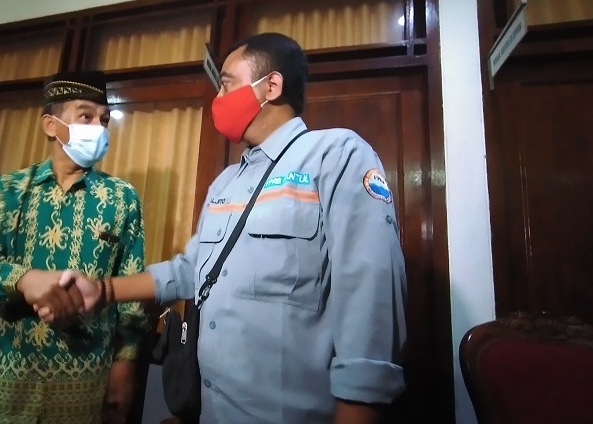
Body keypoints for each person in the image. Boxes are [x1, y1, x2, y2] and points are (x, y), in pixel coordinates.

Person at [38, 33, 408, 424]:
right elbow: (190, 270)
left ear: (271, 86)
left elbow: (369, 289)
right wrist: (103, 290)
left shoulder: (336, 155)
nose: (218, 98)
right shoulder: (227, 182)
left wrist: (358, 411)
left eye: (227, 84)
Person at [0, 71, 149, 424]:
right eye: (86, 116)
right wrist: (24, 280)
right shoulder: (7, 190)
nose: (98, 128)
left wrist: (126, 364)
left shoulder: (122, 198)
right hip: (6, 382)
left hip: (84, 384)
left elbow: (132, 291)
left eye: (104, 120)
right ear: (50, 125)